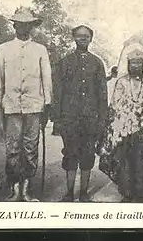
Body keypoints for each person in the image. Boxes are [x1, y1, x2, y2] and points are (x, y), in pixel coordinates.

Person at [0, 8, 52, 202]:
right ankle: (14, 189)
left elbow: (46, 78)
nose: (23, 28)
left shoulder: (40, 50)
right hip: (11, 106)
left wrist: (47, 104)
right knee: (13, 149)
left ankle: (26, 190)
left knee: (30, 148)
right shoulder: (4, 49)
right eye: (20, 24)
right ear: (14, 25)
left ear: (32, 27)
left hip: (34, 106)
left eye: (27, 25)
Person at [52, 25, 108, 202]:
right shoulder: (64, 62)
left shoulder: (97, 63)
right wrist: (57, 119)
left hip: (91, 119)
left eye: (86, 36)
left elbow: (102, 93)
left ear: (91, 39)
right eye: (79, 36)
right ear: (74, 38)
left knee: (87, 155)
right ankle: (69, 192)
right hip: (70, 118)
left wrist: (102, 119)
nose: (82, 39)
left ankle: (84, 192)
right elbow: (58, 92)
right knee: (70, 154)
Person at [99, 44, 143, 203]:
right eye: (133, 63)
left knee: (142, 162)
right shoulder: (121, 82)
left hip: (142, 129)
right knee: (125, 161)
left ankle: (141, 193)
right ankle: (127, 192)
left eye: (139, 63)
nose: (136, 66)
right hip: (125, 129)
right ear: (128, 64)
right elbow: (116, 104)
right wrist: (129, 111)